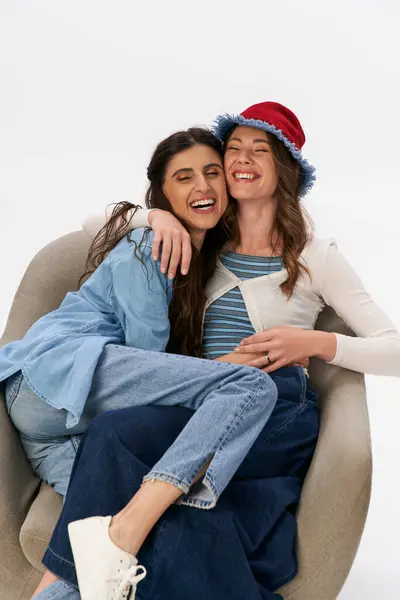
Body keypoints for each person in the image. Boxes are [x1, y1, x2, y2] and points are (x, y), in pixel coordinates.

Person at [32, 102, 400, 600]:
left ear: (285, 169)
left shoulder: (315, 254)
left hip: (278, 401)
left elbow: (394, 349)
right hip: (206, 399)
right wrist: (154, 216)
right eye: (234, 149)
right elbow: (93, 222)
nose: (243, 159)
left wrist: (315, 342)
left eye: (260, 149)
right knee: (131, 453)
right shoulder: (201, 240)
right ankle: (75, 578)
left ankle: (64, 580)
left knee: (121, 435)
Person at [1, 128, 283, 599]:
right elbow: (146, 366)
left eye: (213, 173)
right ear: (163, 193)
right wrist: (230, 364)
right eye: (184, 177)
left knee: (111, 540)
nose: (204, 187)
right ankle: (125, 530)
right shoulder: (145, 246)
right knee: (251, 387)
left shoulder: (194, 257)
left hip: (54, 420)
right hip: (59, 372)